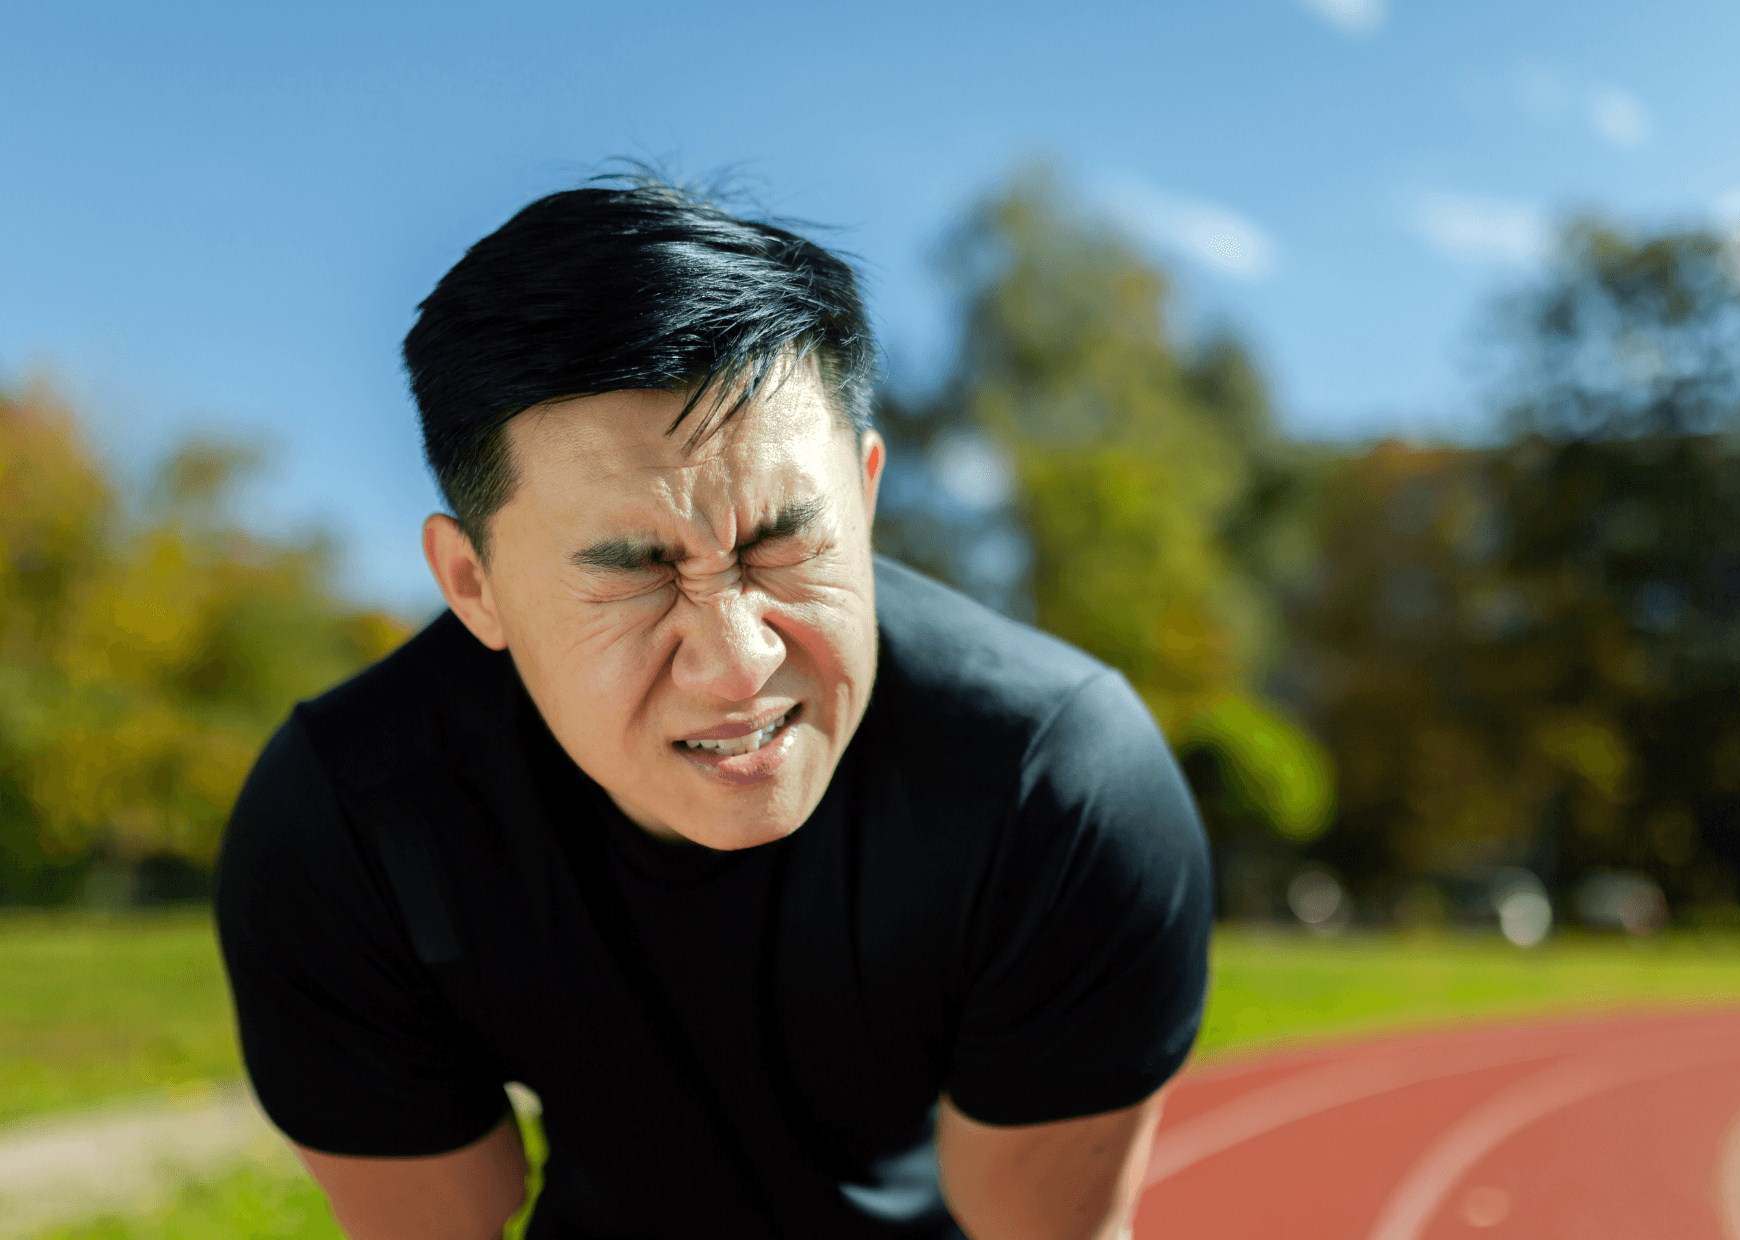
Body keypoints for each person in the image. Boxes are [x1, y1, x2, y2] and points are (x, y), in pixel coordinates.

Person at [214, 175, 1212, 1240]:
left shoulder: (1054, 788)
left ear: (865, 495)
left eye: (783, 540)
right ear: (474, 585)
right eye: (636, 569)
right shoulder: (346, 824)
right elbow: (438, 1222)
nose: (738, 664)